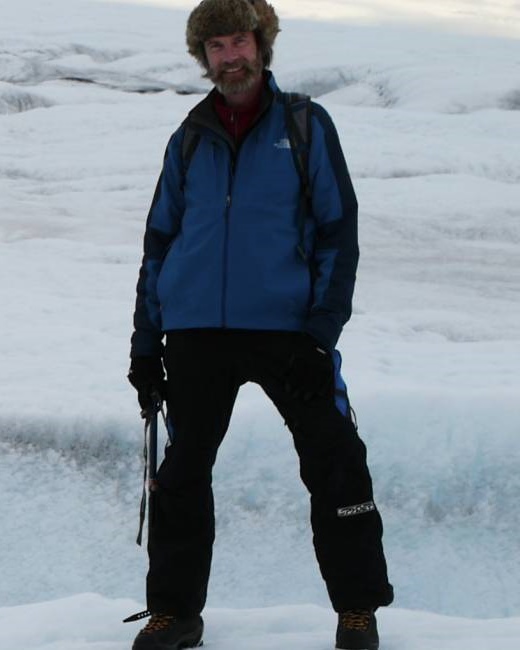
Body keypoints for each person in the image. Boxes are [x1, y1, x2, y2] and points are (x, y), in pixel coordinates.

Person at [125, 1, 394, 649]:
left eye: (238, 42)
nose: (230, 57)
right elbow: (160, 243)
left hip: (288, 333)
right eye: (215, 47)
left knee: (334, 460)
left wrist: (319, 334)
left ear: (262, 45)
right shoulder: (188, 137)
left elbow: (338, 232)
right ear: (204, 58)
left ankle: (357, 609)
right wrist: (144, 344)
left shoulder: (304, 126)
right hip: (194, 334)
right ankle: (175, 613)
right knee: (181, 474)